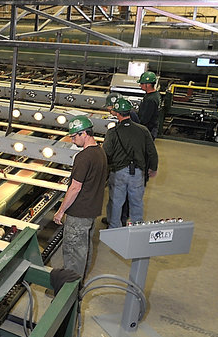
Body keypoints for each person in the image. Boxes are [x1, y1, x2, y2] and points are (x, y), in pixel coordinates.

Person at [53, 116, 108, 282]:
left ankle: (69, 292)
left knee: (73, 252)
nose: (72, 139)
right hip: (91, 211)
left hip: (79, 214)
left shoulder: (83, 157)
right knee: (84, 249)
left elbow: (75, 187)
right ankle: (79, 282)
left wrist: (61, 211)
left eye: (74, 136)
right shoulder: (101, 152)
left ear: (85, 133)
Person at [103, 97, 158, 228]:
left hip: (118, 173)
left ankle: (114, 229)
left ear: (116, 113)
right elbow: (152, 152)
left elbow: (106, 153)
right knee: (137, 202)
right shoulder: (143, 130)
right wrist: (153, 168)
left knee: (116, 202)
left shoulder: (113, 132)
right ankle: (137, 227)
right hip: (138, 172)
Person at [138, 71, 161, 139]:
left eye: (142, 83)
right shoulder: (155, 94)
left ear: (148, 85)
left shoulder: (150, 99)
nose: (140, 85)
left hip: (148, 130)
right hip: (151, 128)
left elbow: (145, 119)